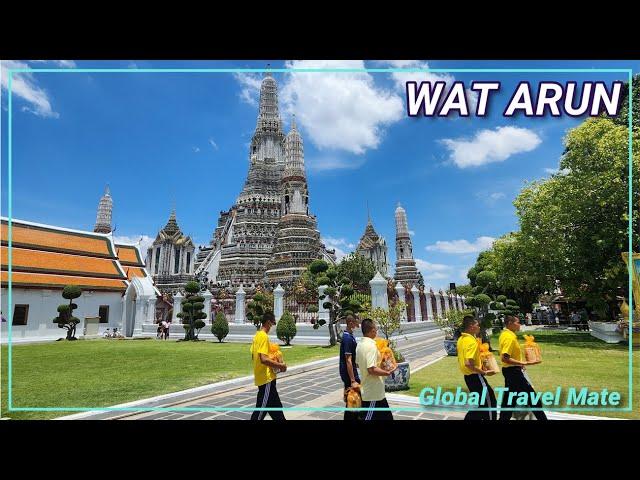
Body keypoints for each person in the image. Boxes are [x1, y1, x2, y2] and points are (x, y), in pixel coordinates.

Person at [498, 315, 547, 421]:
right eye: (517, 322)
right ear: (510, 323)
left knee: (509, 401)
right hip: (513, 372)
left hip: (510, 371)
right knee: (533, 399)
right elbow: (505, 357)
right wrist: (523, 362)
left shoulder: (505, 334)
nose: (519, 324)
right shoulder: (509, 337)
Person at [457, 315, 497, 420]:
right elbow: (468, 363)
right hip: (476, 377)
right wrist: (485, 372)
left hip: (468, 378)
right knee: (490, 404)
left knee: (481, 405)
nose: (479, 327)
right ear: (471, 326)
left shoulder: (461, 339)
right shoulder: (471, 341)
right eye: (477, 325)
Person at [355, 318, 396, 421]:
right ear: (372, 330)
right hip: (372, 393)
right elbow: (371, 369)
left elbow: (358, 364)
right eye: (376, 329)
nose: (377, 331)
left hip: (376, 391)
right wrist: (387, 372)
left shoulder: (360, 345)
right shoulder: (371, 346)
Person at [250, 311, 287, 421]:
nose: (272, 326)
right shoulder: (263, 337)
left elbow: (254, 356)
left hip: (266, 379)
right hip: (266, 380)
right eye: (272, 323)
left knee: (277, 410)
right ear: (268, 322)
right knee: (259, 413)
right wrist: (280, 366)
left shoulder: (257, 336)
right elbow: (263, 359)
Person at [339, 314, 361, 420]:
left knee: (353, 397)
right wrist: (352, 380)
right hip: (348, 373)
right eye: (357, 321)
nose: (358, 323)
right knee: (352, 396)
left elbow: (352, 358)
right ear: (351, 323)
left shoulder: (351, 335)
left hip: (352, 371)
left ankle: (354, 416)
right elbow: (348, 360)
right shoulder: (347, 338)